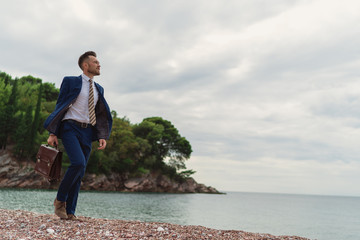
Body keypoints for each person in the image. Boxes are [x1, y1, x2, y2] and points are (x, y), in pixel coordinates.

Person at [44, 51, 112, 220]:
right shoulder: (70, 81)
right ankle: (60, 200)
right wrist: (53, 133)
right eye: (95, 62)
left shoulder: (99, 89)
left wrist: (102, 134)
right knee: (78, 162)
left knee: (80, 170)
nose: (99, 64)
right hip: (70, 127)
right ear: (85, 65)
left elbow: (100, 113)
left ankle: (70, 212)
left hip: (88, 131)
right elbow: (60, 105)